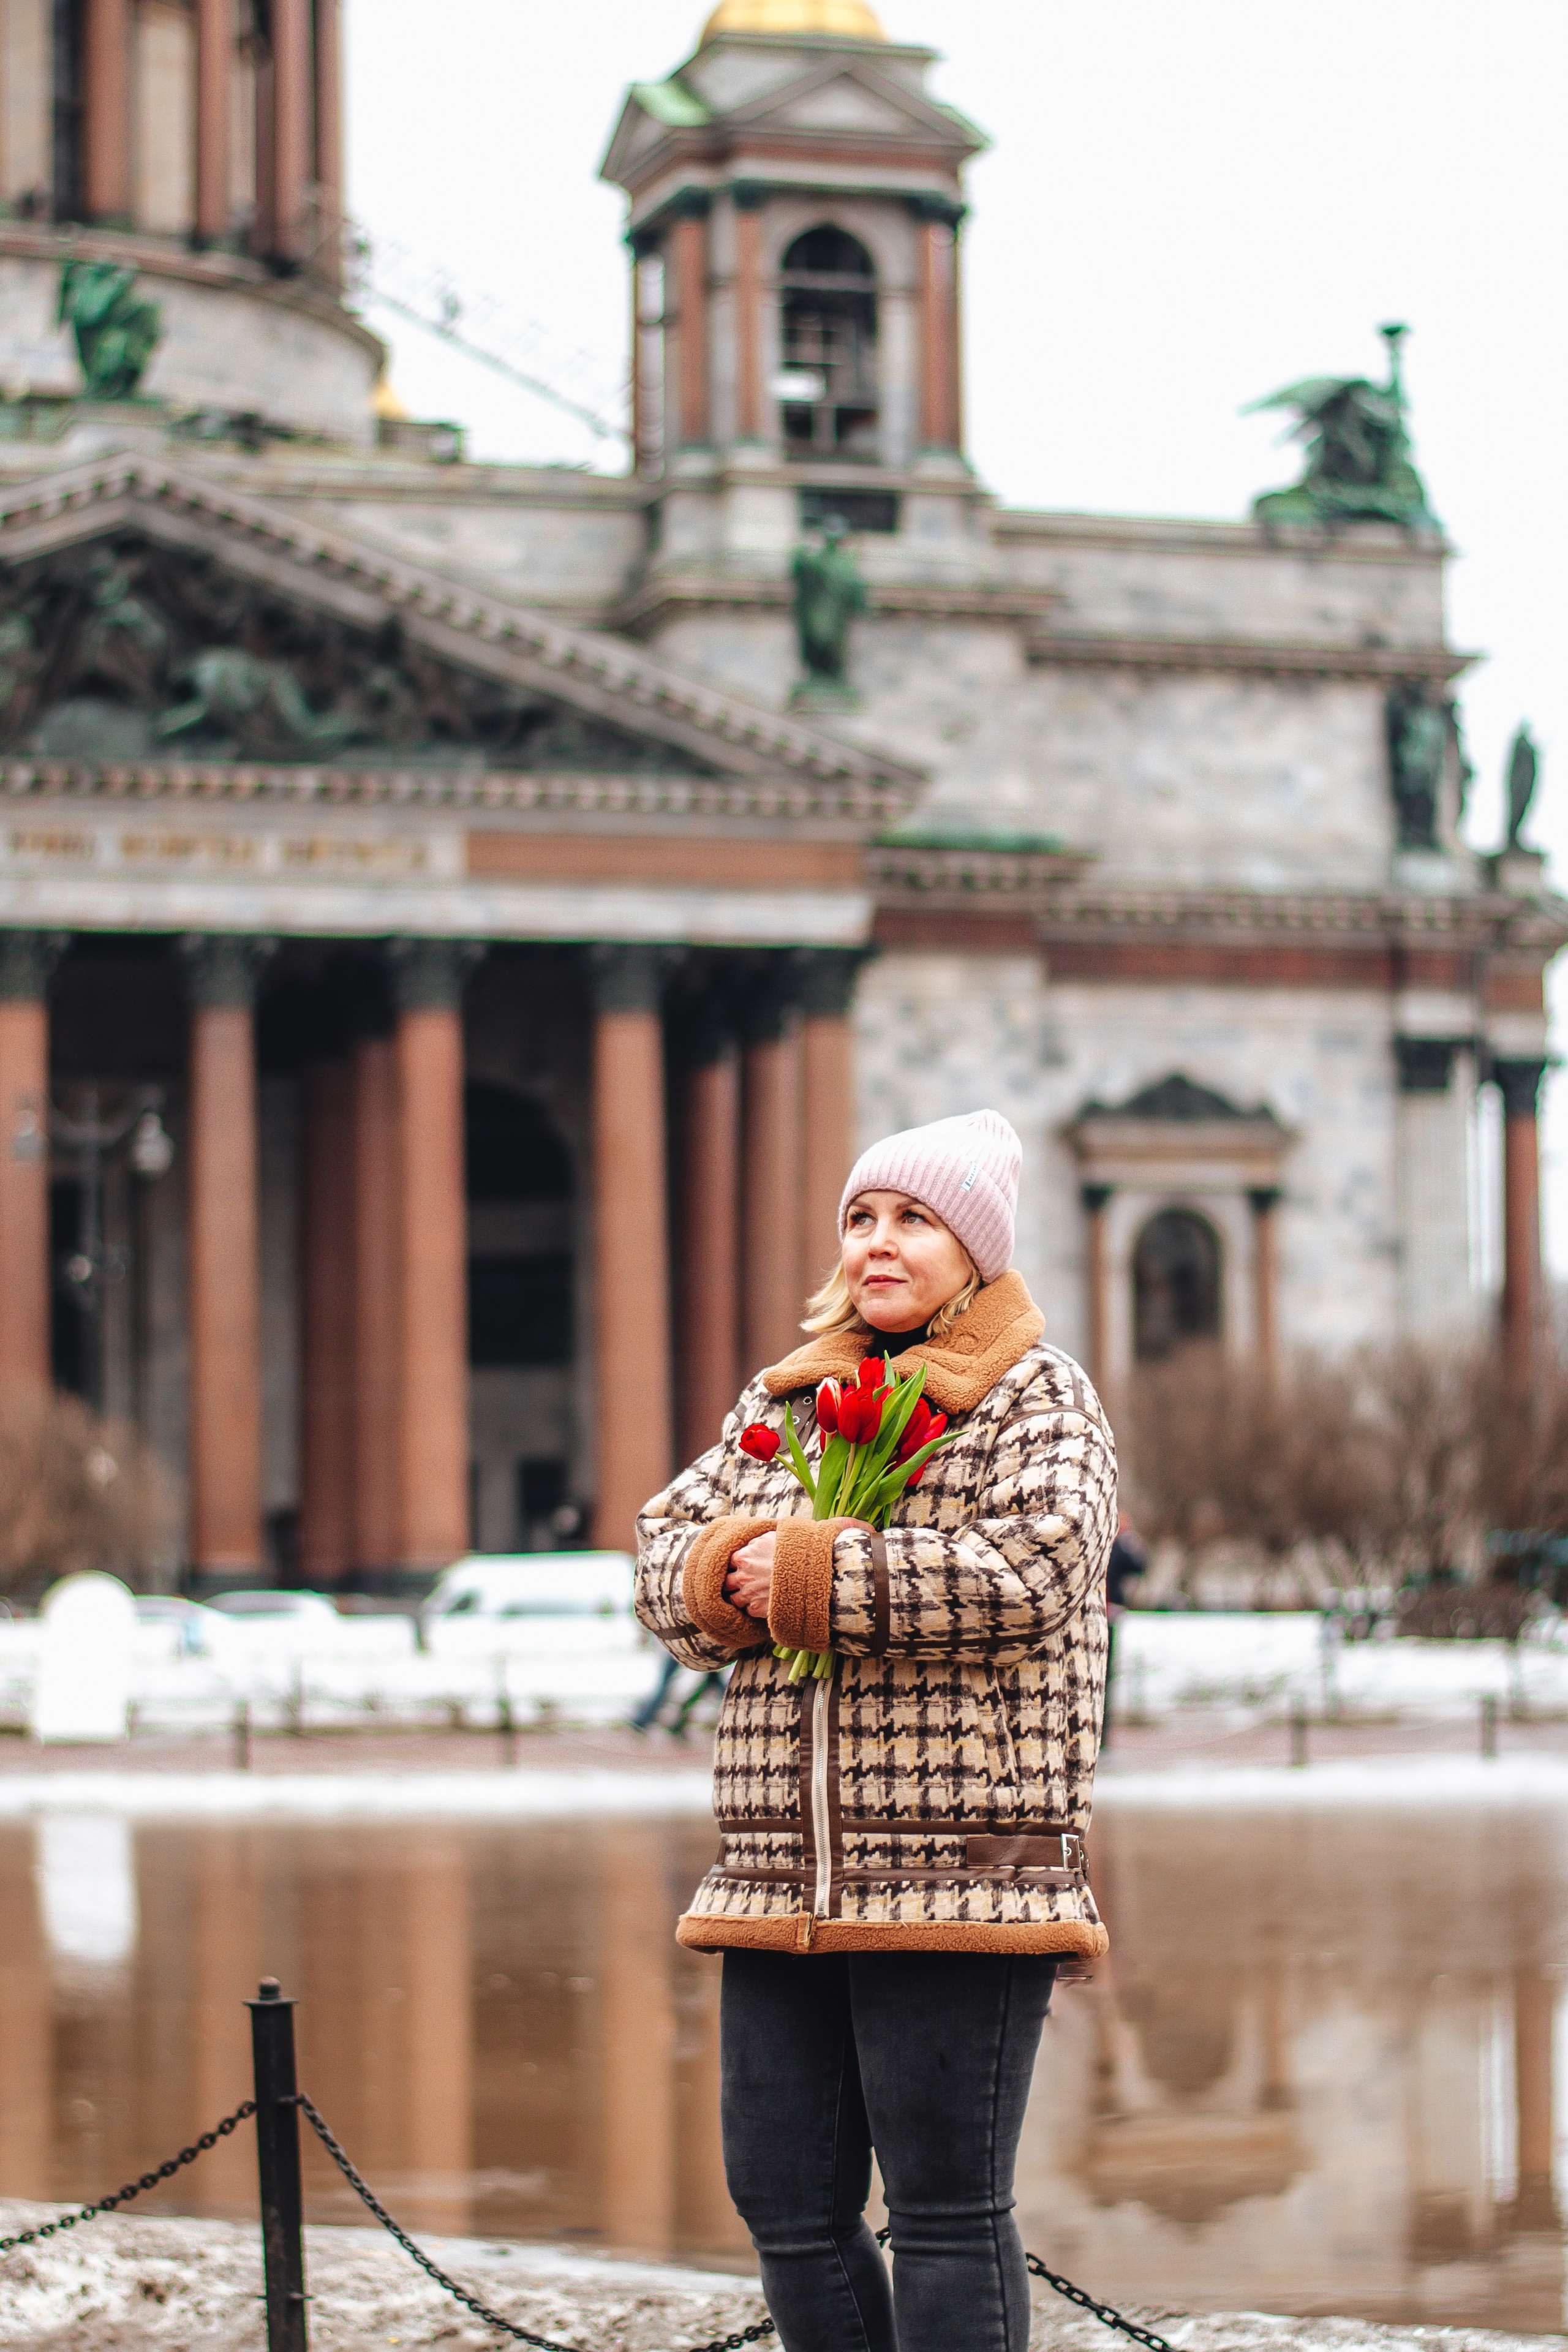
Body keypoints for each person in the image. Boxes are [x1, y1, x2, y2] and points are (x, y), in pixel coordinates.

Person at [635, 1107, 1117, 2352]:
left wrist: (804, 1577)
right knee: (784, 2205)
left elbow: (1030, 1575)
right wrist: (729, 1572)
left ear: (977, 1250)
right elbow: (658, 1557)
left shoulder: (1037, 1394)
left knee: (945, 2212)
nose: (878, 1243)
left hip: (961, 1870)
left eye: (913, 1220)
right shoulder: (789, 1398)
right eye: (861, 1218)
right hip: (775, 1875)